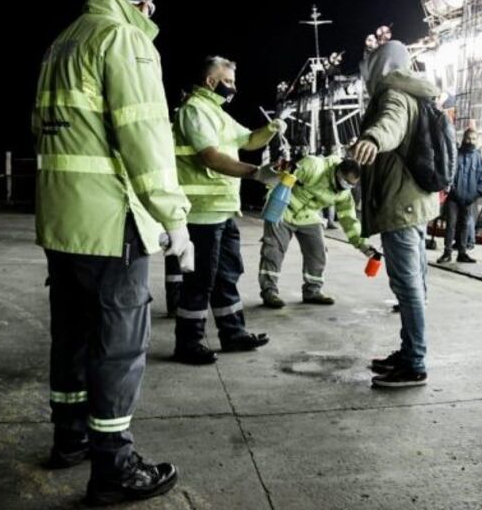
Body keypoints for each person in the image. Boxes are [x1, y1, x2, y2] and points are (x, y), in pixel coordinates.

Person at [32, 0, 189, 504]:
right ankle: (113, 465)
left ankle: (69, 438)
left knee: (72, 335)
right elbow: (145, 134)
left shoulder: (63, 41)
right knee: (119, 345)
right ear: (143, 5)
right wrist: (173, 216)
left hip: (61, 219)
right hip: (108, 222)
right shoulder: (122, 37)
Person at [172, 56, 282, 365]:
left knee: (227, 275)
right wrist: (257, 173)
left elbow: (248, 141)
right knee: (200, 282)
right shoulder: (194, 111)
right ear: (211, 81)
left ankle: (233, 333)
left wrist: (271, 129)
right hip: (201, 214)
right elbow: (210, 157)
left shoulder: (215, 112)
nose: (233, 87)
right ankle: (188, 343)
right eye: (228, 81)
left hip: (223, 211)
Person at [351, 40, 439, 388]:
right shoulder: (411, 93)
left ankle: (414, 363)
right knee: (413, 283)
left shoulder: (393, 95)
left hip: (400, 204)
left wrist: (372, 138)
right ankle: (408, 353)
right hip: (413, 201)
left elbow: (391, 124)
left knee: (408, 287)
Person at [258, 155, 374, 308]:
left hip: (309, 216)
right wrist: (280, 173)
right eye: (346, 182)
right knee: (273, 250)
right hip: (283, 209)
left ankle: (312, 291)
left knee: (318, 252)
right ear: (338, 172)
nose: (346, 187)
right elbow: (280, 179)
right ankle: (269, 292)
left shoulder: (344, 193)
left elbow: (349, 219)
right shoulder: (313, 166)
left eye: (351, 185)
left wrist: (363, 245)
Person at [439, 128, 482, 264]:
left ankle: (462, 252)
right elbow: (449, 175)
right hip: (453, 198)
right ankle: (447, 252)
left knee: (464, 225)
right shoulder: (455, 155)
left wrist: (475, 194)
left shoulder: (479, 159)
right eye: (468, 138)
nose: (471, 141)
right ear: (463, 139)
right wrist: (454, 192)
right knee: (451, 225)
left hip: (469, 199)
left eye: (473, 139)